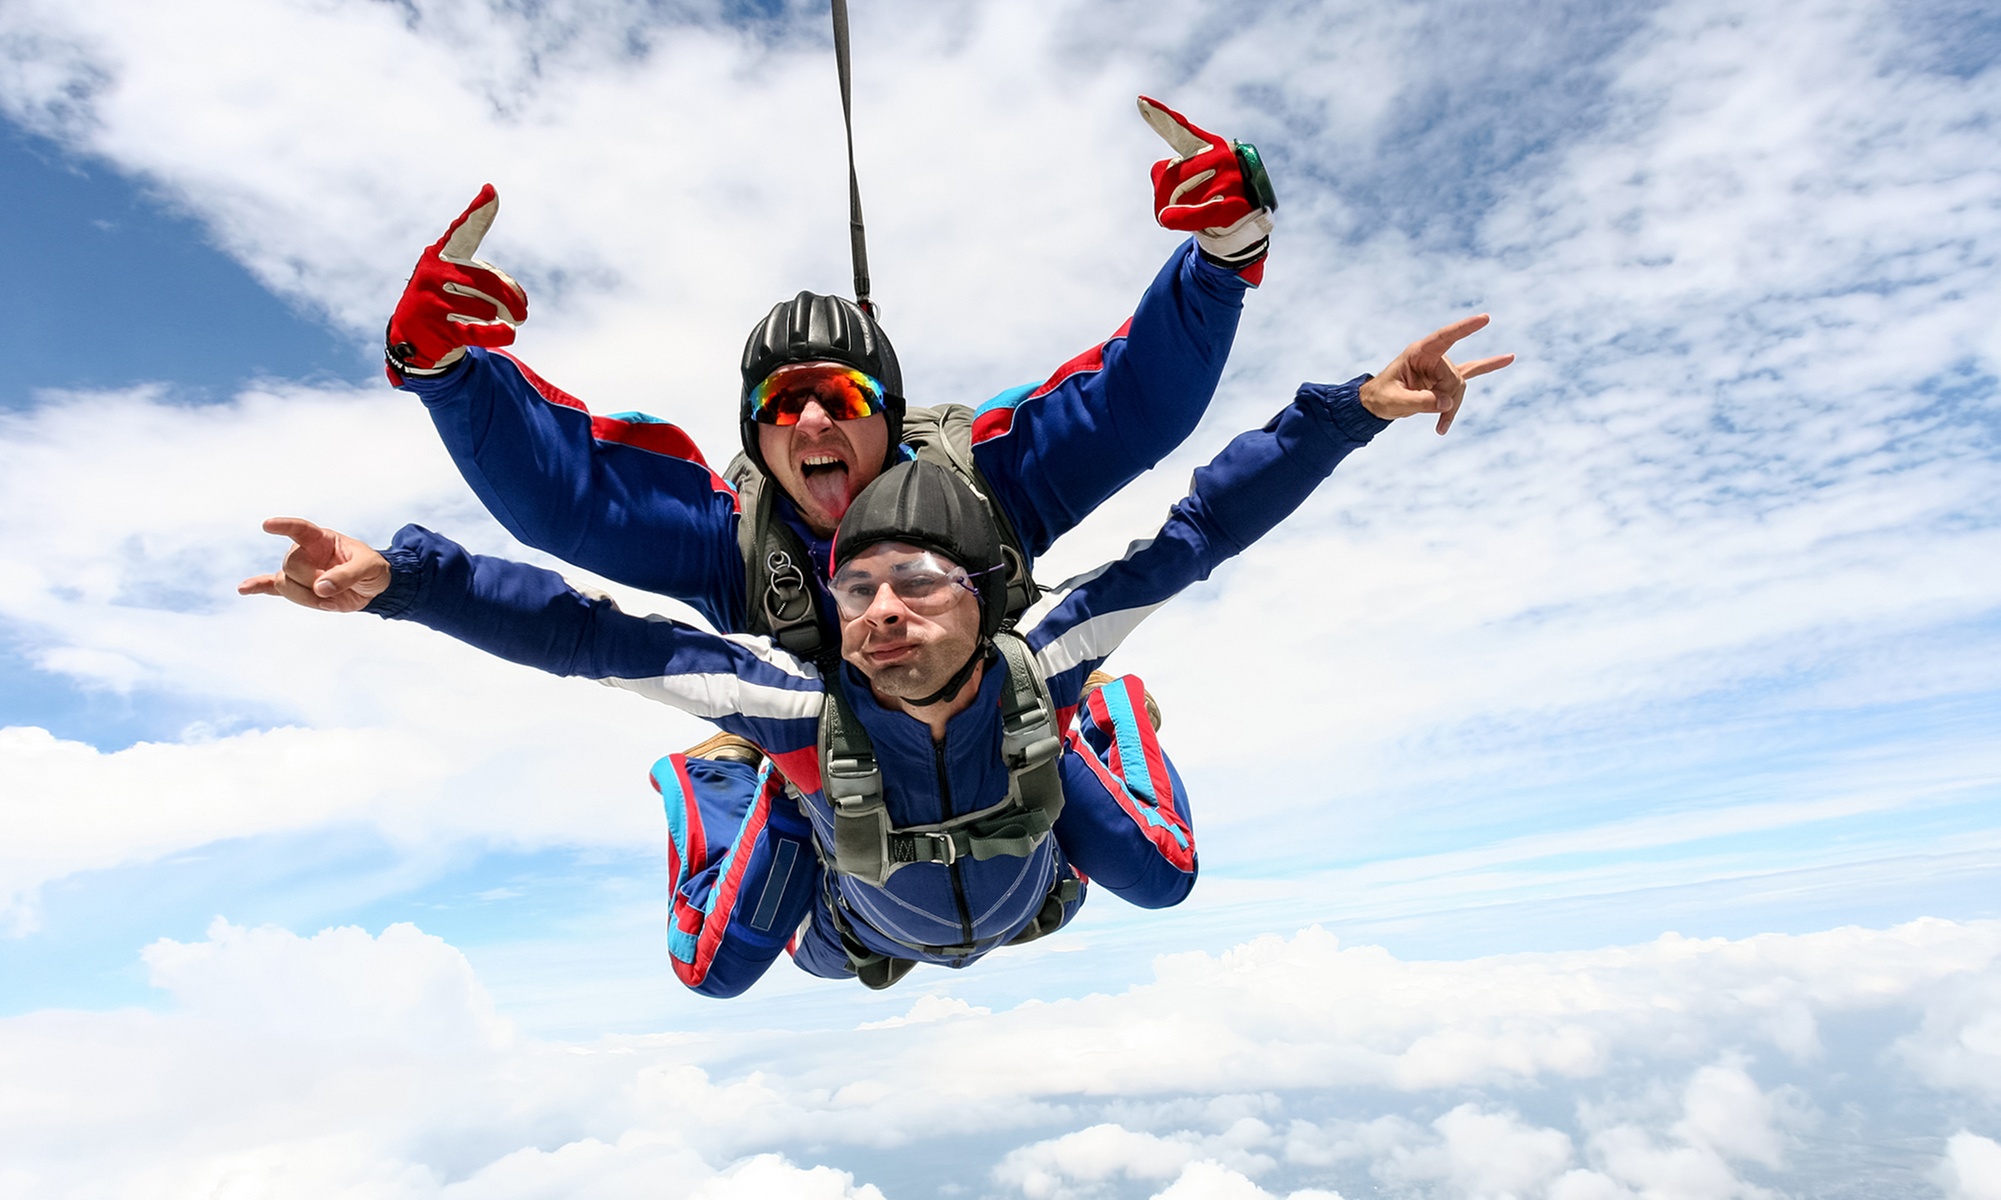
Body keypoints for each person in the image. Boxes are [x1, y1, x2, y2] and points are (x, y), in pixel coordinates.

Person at [243, 317, 1513, 995]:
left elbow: (1201, 530)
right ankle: (724, 789)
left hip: (1021, 840)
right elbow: (586, 636)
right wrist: (406, 586)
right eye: (856, 588)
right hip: (859, 878)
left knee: (1168, 884)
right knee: (715, 972)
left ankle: (1109, 735)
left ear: (982, 596)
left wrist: (1347, 413)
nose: (883, 609)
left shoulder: (1050, 659)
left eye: (918, 582)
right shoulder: (788, 703)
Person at [377, 97, 1280, 649]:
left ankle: (1114, 727)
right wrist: (444, 371)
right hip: (835, 787)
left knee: (1130, 871)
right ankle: (722, 773)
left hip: (996, 753)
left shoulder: (984, 484)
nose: (812, 423)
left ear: (888, 419)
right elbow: (567, 504)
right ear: (757, 437)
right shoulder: (733, 543)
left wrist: (1221, 257)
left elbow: (1133, 407)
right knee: (736, 966)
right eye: (781, 403)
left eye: (843, 397)